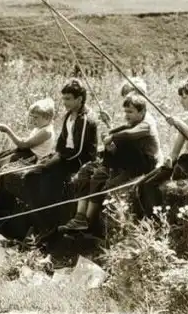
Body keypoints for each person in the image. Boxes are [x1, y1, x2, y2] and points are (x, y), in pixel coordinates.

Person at [58, 93, 162, 232]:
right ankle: (81, 218)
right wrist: (109, 139)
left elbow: (128, 135)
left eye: (130, 112)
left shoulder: (146, 124)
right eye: (125, 112)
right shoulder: (131, 123)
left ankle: (90, 222)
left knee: (110, 187)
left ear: (142, 112)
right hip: (129, 162)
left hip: (144, 164)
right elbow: (118, 142)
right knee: (92, 175)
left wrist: (112, 137)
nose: (126, 115)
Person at [21, 78, 99, 237]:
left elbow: (79, 150)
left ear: (79, 99)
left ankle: (48, 224)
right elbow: (62, 141)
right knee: (31, 175)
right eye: (63, 98)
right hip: (65, 155)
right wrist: (55, 155)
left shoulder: (85, 119)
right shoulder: (68, 115)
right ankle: (40, 220)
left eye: (68, 99)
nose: (64, 102)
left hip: (78, 160)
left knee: (41, 174)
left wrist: (58, 159)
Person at [138, 75, 188, 217]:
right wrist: (170, 159)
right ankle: (153, 219)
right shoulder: (187, 121)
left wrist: (178, 123)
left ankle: (160, 218)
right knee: (144, 184)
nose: (181, 101)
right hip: (182, 163)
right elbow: (175, 152)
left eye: (185, 97)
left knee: (176, 180)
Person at [98, 76, 163, 167]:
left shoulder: (146, 120)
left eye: (129, 96)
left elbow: (128, 135)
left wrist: (112, 137)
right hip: (135, 158)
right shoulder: (134, 116)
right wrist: (108, 124)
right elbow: (122, 132)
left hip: (146, 161)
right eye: (125, 97)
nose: (126, 100)